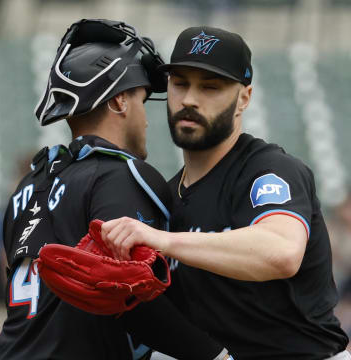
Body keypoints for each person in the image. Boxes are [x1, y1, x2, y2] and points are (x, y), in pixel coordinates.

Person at [101, 26, 351, 359]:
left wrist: (164, 241)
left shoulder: (269, 169)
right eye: (180, 83)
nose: (190, 99)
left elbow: (281, 252)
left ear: (244, 98)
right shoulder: (165, 196)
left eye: (210, 87)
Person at [0, 20, 231, 360]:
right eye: (141, 100)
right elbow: (129, 298)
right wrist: (217, 356)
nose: (147, 119)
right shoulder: (120, 174)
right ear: (120, 102)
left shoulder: (29, 186)